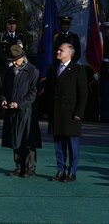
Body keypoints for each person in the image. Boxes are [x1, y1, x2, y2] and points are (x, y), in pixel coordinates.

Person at [45, 42, 87, 182]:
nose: (57, 52)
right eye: (58, 49)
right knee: (58, 145)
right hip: (56, 114)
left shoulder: (78, 70)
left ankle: (72, 172)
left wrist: (79, 112)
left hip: (71, 114)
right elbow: (49, 92)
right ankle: (60, 171)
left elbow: (83, 93)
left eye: (61, 50)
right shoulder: (52, 68)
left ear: (69, 53)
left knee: (72, 145)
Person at [0, 43, 41, 178]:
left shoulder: (33, 71)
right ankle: (19, 166)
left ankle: (29, 168)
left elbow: (33, 94)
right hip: (12, 111)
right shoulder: (9, 71)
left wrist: (19, 104)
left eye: (15, 60)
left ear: (23, 57)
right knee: (15, 139)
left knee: (28, 140)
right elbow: (3, 89)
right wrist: (4, 99)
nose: (14, 63)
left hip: (27, 112)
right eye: (12, 60)